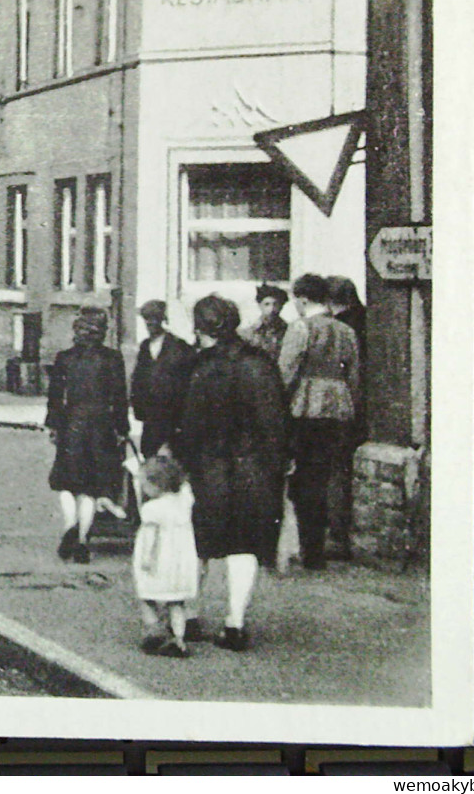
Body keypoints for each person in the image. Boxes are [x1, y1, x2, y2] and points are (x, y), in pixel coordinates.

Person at [171, 294, 287, 652]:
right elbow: (277, 423)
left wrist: (184, 466)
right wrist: (279, 464)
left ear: (202, 328)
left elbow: (189, 426)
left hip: (210, 470)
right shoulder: (261, 363)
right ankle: (235, 623)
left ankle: (189, 616)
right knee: (245, 546)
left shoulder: (199, 369)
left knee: (198, 547)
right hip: (256, 471)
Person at [278, 273, 361, 571]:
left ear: (302, 299)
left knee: (302, 480)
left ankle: (306, 548)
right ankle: (322, 547)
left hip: (304, 410)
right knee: (327, 475)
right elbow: (354, 377)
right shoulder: (345, 331)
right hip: (337, 410)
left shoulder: (300, 329)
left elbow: (286, 373)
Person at [45, 308, 128, 565]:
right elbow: (120, 398)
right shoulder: (113, 359)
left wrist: (54, 426)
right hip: (101, 426)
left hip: (72, 424)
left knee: (66, 483)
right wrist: (121, 428)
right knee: (90, 488)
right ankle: (82, 541)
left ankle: (70, 525)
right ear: (102, 332)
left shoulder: (64, 358)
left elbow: (55, 397)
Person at [133, 453, 200, 658]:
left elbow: (151, 538)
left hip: (159, 561)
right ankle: (178, 639)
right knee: (176, 603)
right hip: (181, 563)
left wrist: (145, 559)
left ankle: (154, 630)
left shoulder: (152, 509)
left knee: (146, 597)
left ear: (155, 485)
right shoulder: (184, 502)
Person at [324, 275, 367, 559]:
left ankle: (337, 535)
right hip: (358, 406)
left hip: (336, 407)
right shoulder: (367, 319)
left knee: (334, 469)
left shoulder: (338, 328)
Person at [129, 300, 194, 459]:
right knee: (150, 456)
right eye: (147, 319)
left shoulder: (179, 347)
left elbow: (187, 383)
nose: (150, 323)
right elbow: (138, 379)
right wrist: (139, 408)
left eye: (154, 318)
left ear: (162, 319)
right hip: (151, 418)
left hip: (172, 418)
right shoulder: (145, 347)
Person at [239, 284, 290, 361]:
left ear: (281, 306)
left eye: (276, 304)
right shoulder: (249, 333)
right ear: (260, 305)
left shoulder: (289, 331)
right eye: (267, 304)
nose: (271, 309)